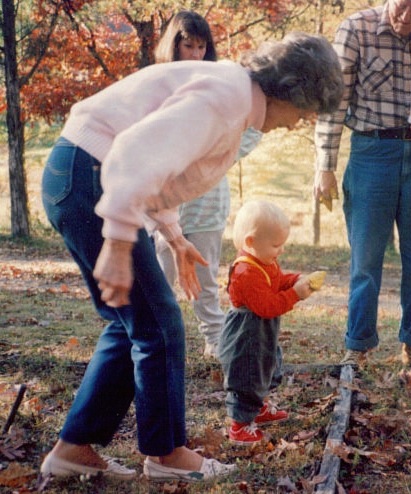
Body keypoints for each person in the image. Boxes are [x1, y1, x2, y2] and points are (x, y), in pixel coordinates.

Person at [39, 32, 343, 482]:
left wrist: (174, 235)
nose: (301, 122)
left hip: (83, 175)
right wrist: (120, 239)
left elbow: (161, 168)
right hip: (90, 177)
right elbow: (132, 154)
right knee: (160, 325)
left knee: (134, 324)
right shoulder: (227, 98)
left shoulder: (233, 95)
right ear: (291, 88)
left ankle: (74, 448)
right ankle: (167, 455)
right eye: (306, 109)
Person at [314, 0, 411, 369]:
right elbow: (333, 103)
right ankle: (358, 345)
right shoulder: (355, 29)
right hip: (370, 153)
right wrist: (325, 167)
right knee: (366, 258)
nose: (407, 17)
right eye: (402, 6)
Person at [153, 11, 263, 358]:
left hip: (209, 195)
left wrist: (220, 156)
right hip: (168, 196)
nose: (197, 54)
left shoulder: (220, 84)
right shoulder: (158, 85)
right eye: (189, 46)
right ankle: (157, 340)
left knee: (206, 275)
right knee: (161, 273)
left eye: (202, 47)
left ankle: (215, 340)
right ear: (174, 45)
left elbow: (246, 131)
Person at [217, 200, 319, 444]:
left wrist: (297, 280)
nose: (281, 250)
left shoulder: (264, 261)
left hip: (260, 331)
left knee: (265, 365)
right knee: (247, 373)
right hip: (246, 333)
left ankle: (259, 408)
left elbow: (277, 282)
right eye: (276, 245)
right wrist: (295, 294)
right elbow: (267, 307)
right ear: (251, 242)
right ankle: (239, 426)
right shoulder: (245, 273)